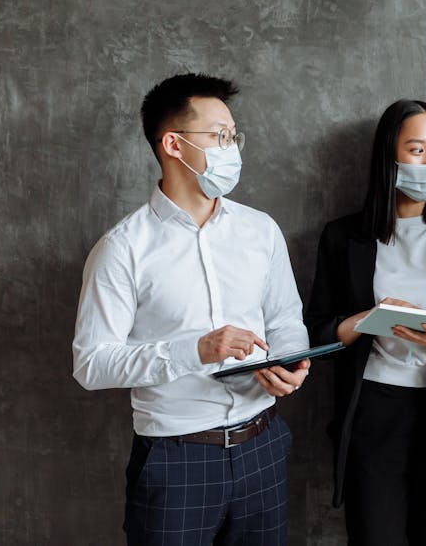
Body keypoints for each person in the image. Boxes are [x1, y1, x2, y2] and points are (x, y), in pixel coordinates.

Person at [72, 73, 311, 546]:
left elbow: (285, 320)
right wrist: (195, 350)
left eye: (233, 136)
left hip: (263, 444)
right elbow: (91, 363)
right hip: (176, 459)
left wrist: (291, 363)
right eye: (219, 136)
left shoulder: (261, 231)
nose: (232, 148)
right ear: (174, 145)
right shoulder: (122, 249)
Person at [304, 99, 426, 546]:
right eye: (417, 150)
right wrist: (365, 320)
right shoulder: (343, 236)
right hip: (374, 413)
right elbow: (317, 330)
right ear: (389, 156)